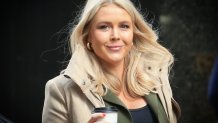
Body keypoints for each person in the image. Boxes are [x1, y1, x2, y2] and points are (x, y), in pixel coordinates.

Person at [42, 0, 181, 123]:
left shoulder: (156, 80)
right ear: (88, 36)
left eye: (124, 26)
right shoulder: (60, 89)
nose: (115, 36)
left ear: (133, 33)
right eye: (104, 27)